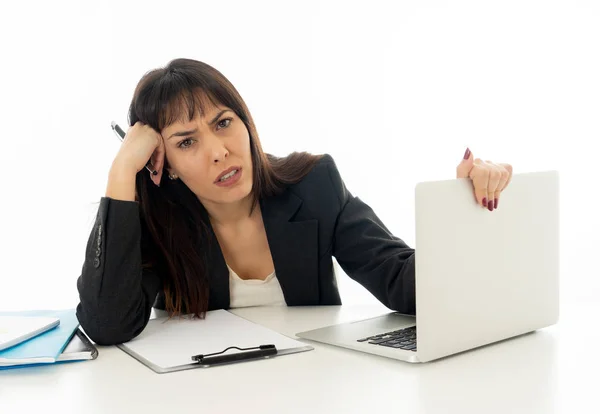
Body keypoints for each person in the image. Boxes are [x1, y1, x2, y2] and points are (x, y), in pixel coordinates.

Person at [76, 58, 513, 346]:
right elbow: (108, 324)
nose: (217, 150)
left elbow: (404, 283)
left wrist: (461, 210)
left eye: (224, 123)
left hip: (312, 390)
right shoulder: (159, 221)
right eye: (186, 142)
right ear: (163, 162)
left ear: (245, 123)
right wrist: (120, 173)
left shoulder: (313, 184)